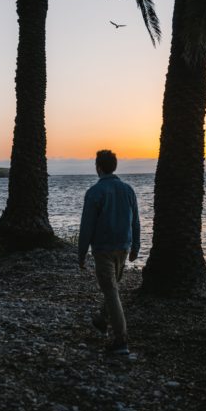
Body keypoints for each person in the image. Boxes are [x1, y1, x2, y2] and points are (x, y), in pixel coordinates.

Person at [78, 149, 140, 355]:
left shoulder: (95, 192)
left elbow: (87, 226)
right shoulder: (128, 190)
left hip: (103, 249)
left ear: (99, 167)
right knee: (112, 288)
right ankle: (102, 320)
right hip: (124, 247)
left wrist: (81, 254)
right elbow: (135, 221)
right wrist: (136, 246)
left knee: (111, 291)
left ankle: (121, 341)